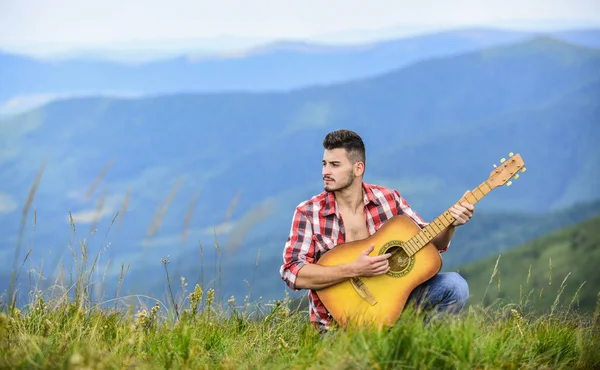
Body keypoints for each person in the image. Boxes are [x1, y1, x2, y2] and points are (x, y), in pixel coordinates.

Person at [279, 129, 473, 334]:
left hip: (393, 307)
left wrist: (450, 224)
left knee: (455, 286)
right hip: (338, 326)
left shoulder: (388, 199)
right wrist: (354, 269)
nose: (325, 172)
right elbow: (293, 272)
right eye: (324, 164)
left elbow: (431, 243)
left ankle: (419, 349)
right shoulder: (309, 212)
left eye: (335, 165)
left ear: (358, 168)